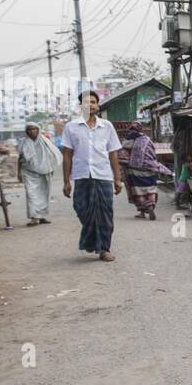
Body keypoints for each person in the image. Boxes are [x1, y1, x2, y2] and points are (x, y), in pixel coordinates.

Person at [60, 90, 122, 261]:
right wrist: (66, 181)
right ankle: (92, 239)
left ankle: (104, 248)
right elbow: (67, 154)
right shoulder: (71, 127)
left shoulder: (107, 126)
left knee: (105, 213)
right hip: (81, 176)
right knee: (82, 208)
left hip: (103, 175)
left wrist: (117, 178)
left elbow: (113, 154)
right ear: (81, 106)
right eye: (87, 102)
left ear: (98, 105)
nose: (90, 105)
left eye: (93, 102)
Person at [118, 129, 171, 220]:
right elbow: (153, 153)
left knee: (138, 191)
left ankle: (142, 211)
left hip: (135, 170)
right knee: (150, 189)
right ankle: (150, 206)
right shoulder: (147, 140)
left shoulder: (128, 140)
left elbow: (123, 154)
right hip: (149, 168)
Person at [17, 123, 61, 226]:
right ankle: (34, 218)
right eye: (29, 129)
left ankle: (41, 216)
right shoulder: (23, 143)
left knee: (44, 194)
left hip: (44, 172)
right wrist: (18, 172)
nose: (32, 131)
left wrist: (51, 168)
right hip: (29, 172)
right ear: (26, 131)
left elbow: (51, 155)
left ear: (38, 130)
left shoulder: (45, 141)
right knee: (31, 195)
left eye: (34, 129)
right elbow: (20, 158)